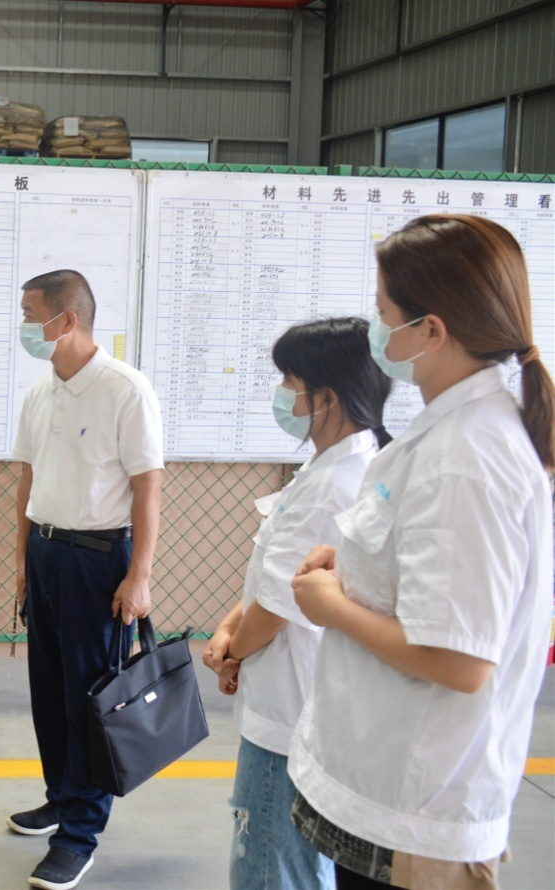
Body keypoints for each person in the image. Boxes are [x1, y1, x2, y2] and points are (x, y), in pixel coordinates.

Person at [288, 215, 555, 890]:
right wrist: (349, 570)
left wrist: (332, 607)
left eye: (384, 315)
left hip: (419, 810)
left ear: (430, 330)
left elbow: (460, 660)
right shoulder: (449, 431)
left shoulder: (466, 459)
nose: (377, 330)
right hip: (389, 790)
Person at [203, 317, 391, 890]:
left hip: (288, 711)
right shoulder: (333, 466)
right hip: (295, 697)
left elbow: (278, 606)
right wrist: (230, 629)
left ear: (325, 397)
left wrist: (233, 651)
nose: (282, 393)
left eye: (289, 381)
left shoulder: (334, 484)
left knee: (269, 866)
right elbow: (274, 577)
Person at [8, 270, 164, 890]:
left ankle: (80, 836)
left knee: (91, 702)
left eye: (30, 314)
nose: (24, 326)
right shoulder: (40, 390)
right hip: (45, 555)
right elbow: (28, 479)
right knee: (49, 694)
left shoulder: (125, 389)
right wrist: (22, 561)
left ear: (66, 319)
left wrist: (139, 574)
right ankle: (60, 798)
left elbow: (148, 487)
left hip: (98, 560)